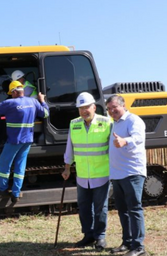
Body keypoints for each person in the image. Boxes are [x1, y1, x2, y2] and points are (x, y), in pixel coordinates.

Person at [0, 80, 49, 202]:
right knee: (20, 166)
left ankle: (3, 189)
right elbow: (46, 114)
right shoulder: (33, 102)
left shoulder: (10, 103)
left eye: (11, 93)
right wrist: (42, 100)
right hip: (27, 140)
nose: (11, 95)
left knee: (4, 164)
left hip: (14, 141)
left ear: (15, 92)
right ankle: (16, 193)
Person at [62, 92, 111, 251]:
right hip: (82, 175)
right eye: (81, 108)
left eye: (87, 107)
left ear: (94, 107)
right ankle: (88, 235)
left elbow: (113, 149)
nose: (84, 111)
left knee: (100, 208)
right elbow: (70, 147)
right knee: (83, 207)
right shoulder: (74, 124)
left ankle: (100, 237)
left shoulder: (106, 123)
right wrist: (67, 167)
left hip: (101, 174)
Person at [106, 95, 147, 256]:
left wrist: (125, 141)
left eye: (114, 107)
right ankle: (127, 242)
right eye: (109, 108)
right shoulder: (114, 124)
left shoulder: (133, 120)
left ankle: (138, 247)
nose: (111, 111)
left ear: (123, 105)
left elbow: (138, 138)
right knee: (122, 209)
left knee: (134, 209)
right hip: (117, 174)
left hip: (132, 172)